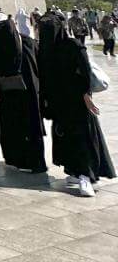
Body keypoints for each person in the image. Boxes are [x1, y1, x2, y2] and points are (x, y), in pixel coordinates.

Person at [37, 13, 115, 197]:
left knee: (82, 138)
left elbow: (84, 71)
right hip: (59, 103)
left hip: (77, 102)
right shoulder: (46, 49)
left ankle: (86, 176)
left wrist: (86, 95)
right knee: (65, 137)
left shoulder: (72, 46)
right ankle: (74, 171)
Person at [0, 17, 46, 173]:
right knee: (12, 126)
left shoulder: (28, 43)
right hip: (7, 95)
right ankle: (17, 159)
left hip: (29, 94)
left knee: (31, 127)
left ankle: (35, 162)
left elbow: (41, 67)